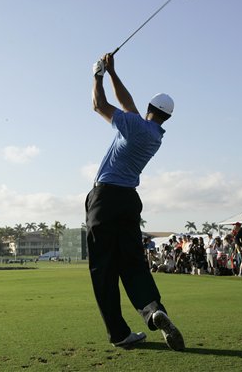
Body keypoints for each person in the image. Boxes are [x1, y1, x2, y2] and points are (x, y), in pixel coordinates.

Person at [85, 53, 184, 351]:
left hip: (105, 198)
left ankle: (119, 334)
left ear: (150, 108)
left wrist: (98, 76)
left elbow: (99, 106)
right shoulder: (154, 134)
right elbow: (129, 106)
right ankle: (152, 309)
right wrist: (114, 73)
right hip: (130, 201)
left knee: (103, 269)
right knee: (133, 263)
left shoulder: (134, 126)